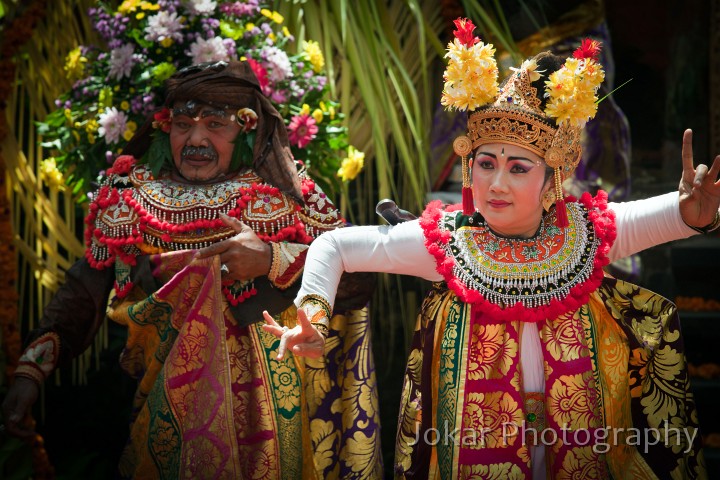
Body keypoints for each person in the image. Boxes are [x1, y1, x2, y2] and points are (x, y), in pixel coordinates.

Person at [263, 21, 717, 479]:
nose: (496, 184)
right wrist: (313, 312)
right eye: (485, 164)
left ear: (551, 178)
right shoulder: (447, 241)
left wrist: (696, 212)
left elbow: (676, 217)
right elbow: (333, 245)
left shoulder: (587, 233)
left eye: (518, 168)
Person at [2, 61, 381, 479]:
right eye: (182, 124)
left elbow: (359, 281)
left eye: (215, 124)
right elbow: (83, 293)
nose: (196, 139)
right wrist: (31, 372)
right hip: (160, 399)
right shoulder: (131, 197)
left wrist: (271, 259)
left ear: (247, 128)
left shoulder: (289, 195)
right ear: (166, 127)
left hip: (269, 416)